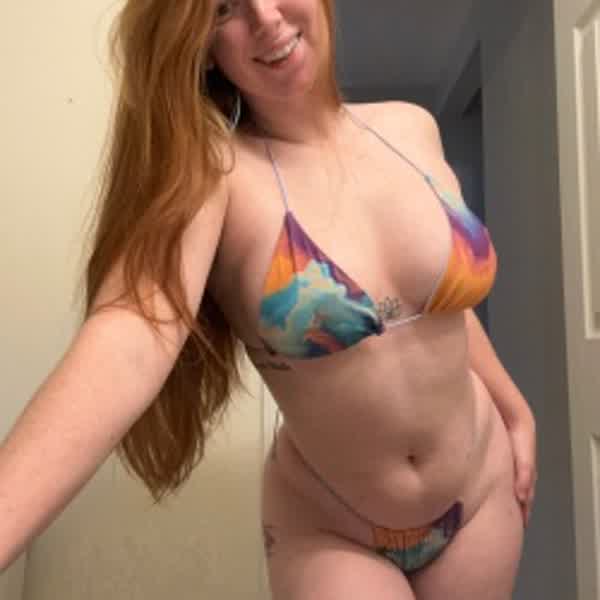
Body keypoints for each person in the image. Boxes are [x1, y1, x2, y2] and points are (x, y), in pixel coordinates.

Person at [0, 0, 537, 598]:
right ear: (203, 46)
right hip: (334, 527)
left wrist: (514, 407)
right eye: (225, 8)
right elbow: (131, 337)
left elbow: (437, 306)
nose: (266, 18)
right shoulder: (215, 175)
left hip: (479, 492)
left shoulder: (413, 128)